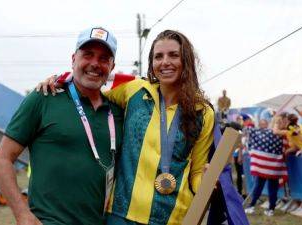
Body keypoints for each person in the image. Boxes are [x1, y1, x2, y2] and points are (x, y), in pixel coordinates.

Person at [37, 30, 214, 225]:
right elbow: (91, 81)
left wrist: (208, 181)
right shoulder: (134, 90)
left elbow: (197, 172)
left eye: (173, 55)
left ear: (187, 60)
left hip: (172, 218)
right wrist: (59, 79)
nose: (165, 62)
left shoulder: (203, 112)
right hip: (120, 215)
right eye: (158, 56)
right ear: (151, 63)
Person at [0, 26, 124, 225]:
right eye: (88, 55)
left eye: (104, 58)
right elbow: (2, 159)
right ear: (73, 59)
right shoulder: (44, 97)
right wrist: (22, 214)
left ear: (112, 67)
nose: (95, 64)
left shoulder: (119, 111)